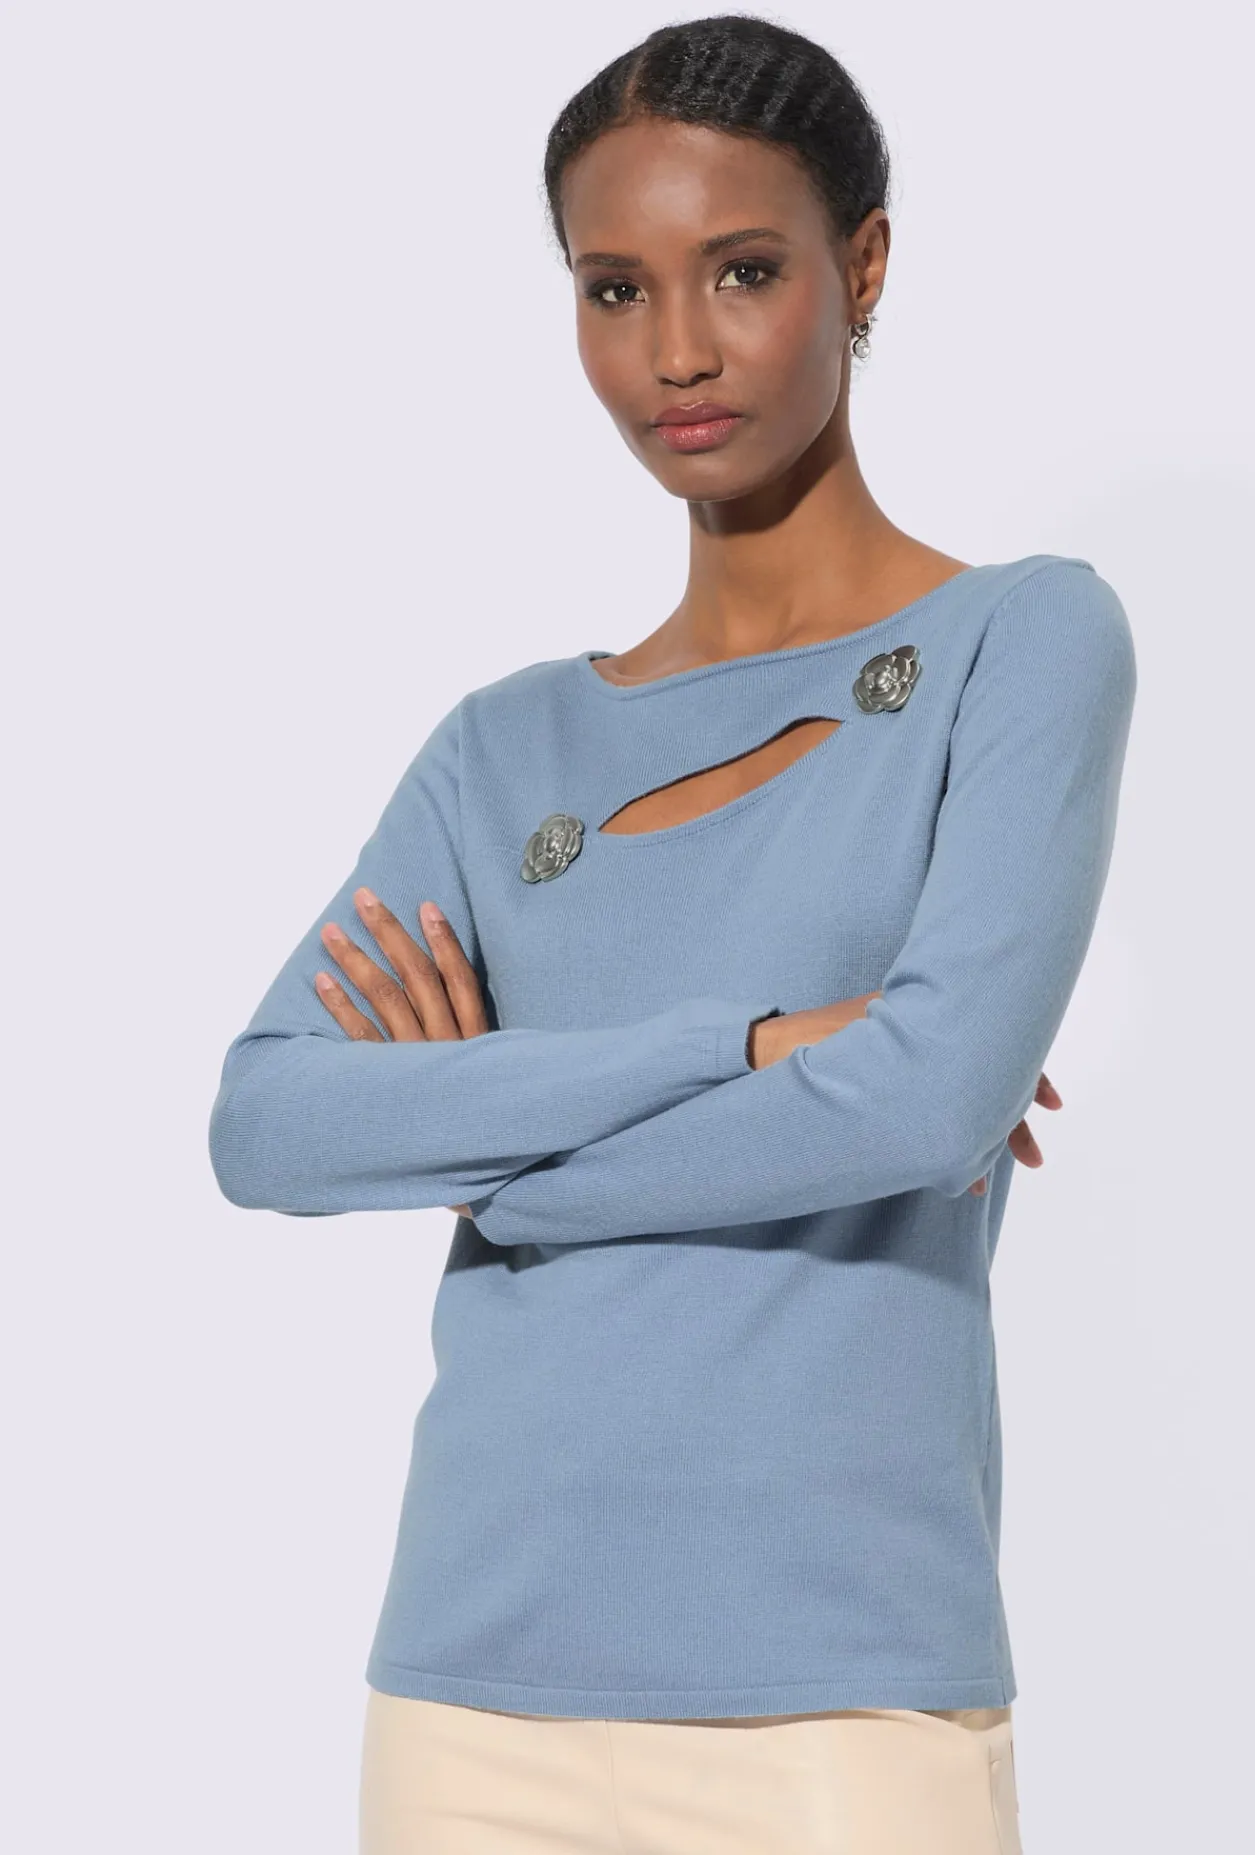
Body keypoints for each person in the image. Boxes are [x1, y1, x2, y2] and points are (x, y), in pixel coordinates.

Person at [209, 14, 1137, 1852]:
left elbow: (921, 1101)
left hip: (842, 1692)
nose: (677, 353)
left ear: (863, 265)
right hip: (473, 1690)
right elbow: (269, 1125)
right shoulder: (502, 748)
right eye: (613, 290)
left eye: (744, 271)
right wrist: (755, 1047)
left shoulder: (1017, 644)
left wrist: (488, 1150)